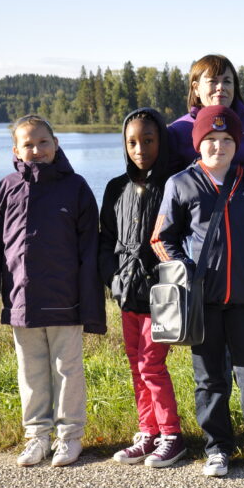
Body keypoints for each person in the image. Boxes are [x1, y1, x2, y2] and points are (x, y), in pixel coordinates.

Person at [152, 105, 244, 477]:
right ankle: (218, 448)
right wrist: (188, 274)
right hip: (203, 304)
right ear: (198, 144)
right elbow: (161, 239)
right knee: (209, 378)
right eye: (210, 139)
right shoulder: (180, 184)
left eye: (227, 139)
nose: (219, 146)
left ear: (236, 144)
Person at [0, 114, 106, 467]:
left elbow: (89, 253)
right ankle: (37, 436)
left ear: (56, 144)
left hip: (66, 303)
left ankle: (70, 436)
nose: (36, 149)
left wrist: (91, 310)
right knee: (30, 373)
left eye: (43, 142)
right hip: (22, 303)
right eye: (28, 144)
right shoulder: (4, 190)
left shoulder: (75, 188)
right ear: (16, 149)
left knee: (67, 370)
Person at [167, 54, 244, 420]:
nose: (221, 88)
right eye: (212, 81)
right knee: (210, 354)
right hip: (204, 265)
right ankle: (218, 432)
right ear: (195, 87)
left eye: (228, 82)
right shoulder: (177, 132)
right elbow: (172, 193)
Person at [98, 108, 186, 468]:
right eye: (132, 141)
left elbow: (182, 235)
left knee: (152, 365)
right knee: (136, 364)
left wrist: (174, 277)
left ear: (161, 141)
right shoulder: (116, 188)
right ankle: (147, 432)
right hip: (127, 293)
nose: (140, 148)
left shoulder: (174, 183)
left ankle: (172, 435)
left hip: (161, 294)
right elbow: (106, 240)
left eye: (148, 140)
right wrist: (113, 277)